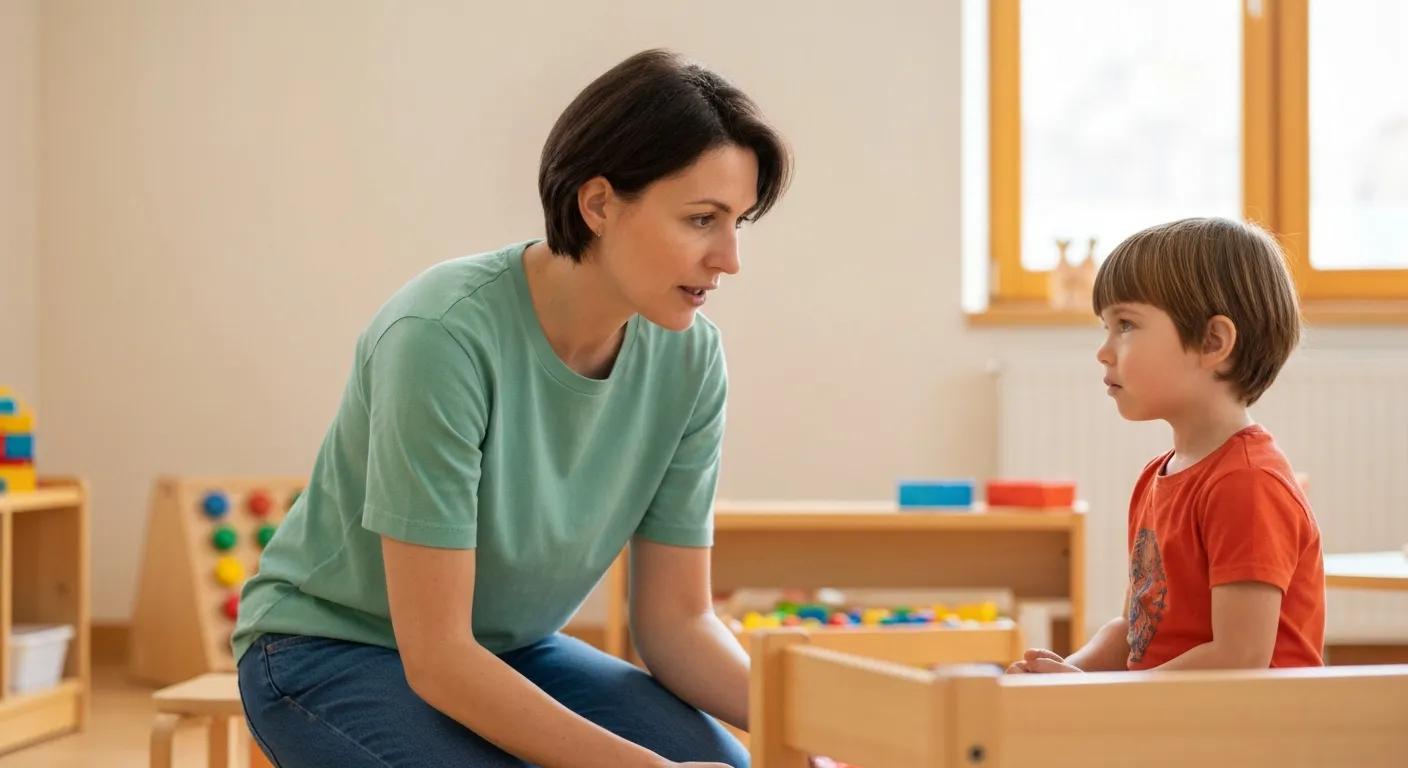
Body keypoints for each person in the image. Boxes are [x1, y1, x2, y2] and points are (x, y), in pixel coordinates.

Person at [234, 48, 791, 767]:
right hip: (326, 650)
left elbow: (678, 624)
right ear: (598, 204)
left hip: (512, 649)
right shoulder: (439, 337)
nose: (729, 258)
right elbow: (438, 657)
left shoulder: (691, 359)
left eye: (738, 221)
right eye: (702, 219)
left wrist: (828, 723)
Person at [1009, 217, 1325, 675]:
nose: (1103, 350)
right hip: (1173, 712)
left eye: (1126, 325)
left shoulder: (1247, 483)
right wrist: (1068, 677)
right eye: (1106, 327)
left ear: (1213, 342)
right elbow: (1134, 631)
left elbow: (1238, 658)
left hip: (1248, 720)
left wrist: (1105, 698)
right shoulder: (1157, 476)